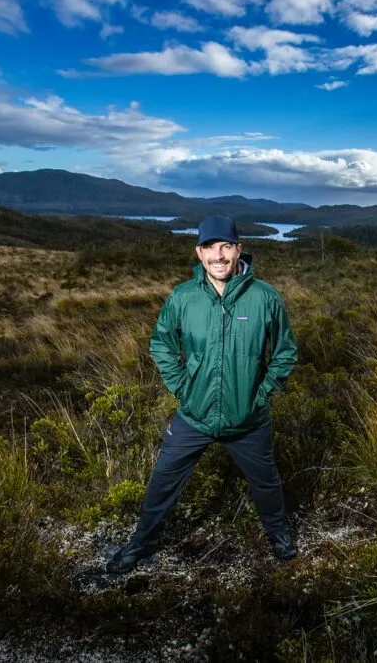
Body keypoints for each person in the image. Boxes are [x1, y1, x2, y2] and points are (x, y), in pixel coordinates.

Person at [105, 215, 299, 573]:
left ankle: (280, 539)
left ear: (239, 249)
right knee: (162, 482)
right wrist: (182, 388)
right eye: (210, 247)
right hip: (194, 416)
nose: (219, 255)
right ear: (199, 253)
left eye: (226, 246)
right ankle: (141, 543)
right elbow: (161, 344)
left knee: (267, 483)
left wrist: (262, 394)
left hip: (249, 420)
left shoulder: (265, 297)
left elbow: (285, 350)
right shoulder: (183, 297)